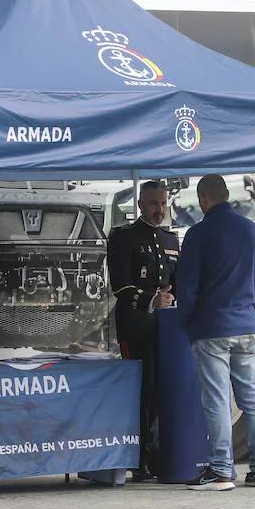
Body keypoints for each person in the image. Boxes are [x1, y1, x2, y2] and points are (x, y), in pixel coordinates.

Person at [177, 174, 255, 490]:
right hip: (247, 325)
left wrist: (187, 321)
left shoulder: (198, 234)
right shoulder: (253, 231)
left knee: (217, 398)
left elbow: (187, 287)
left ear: (204, 199)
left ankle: (220, 469)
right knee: (252, 395)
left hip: (211, 328)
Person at [106, 180, 179, 480]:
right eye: (153, 203)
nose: (159, 209)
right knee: (142, 391)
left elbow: (178, 281)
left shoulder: (171, 240)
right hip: (136, 326)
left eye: (163, 203)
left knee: (164, 391)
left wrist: (174, 298)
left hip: (168, 330)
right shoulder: (124, 237)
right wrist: (152, 300)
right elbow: (121, 285)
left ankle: (161, 454)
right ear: (140, 204)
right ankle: (139, 457)